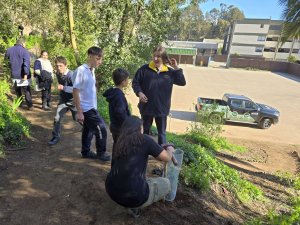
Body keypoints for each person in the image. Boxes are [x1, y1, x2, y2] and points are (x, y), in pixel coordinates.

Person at [105, 116, 174, 218]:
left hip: (111, 190)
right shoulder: (145, 139)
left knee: (133, 177)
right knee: (166, 183)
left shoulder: (119, 141)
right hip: (134, 197)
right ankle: (134, 208)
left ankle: (129, 200)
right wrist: (170, 149)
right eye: (142, 127)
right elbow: (167, 157)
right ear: (139, 128)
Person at [132, 45, 186, 145]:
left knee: (162, 134)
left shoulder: (169, 72)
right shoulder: (144, 69)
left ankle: (162, 153)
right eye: (154, 56)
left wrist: (176, 67)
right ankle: (144, 152)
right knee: (145, 132)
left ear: (164, 58)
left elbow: (182, 82)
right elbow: (135, 83)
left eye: (158, 56)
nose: (155, 59)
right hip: (147, 106)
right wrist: (139, 93)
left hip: (162, 108)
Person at [73, 46, 111, 161]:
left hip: (91, 107)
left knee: (88, 130)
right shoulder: (81, 70)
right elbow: (75, 91)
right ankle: (101, 153)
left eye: (101, 59)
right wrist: (79, 112)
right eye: (98, 58)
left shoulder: (92, 70)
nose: (100, 61)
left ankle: (85, 151)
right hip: (86, 108)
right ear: (90, 56)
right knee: (102, 129)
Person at [48, 56, 76, 145]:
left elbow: (76, 89)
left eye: (61, 66)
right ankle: (56, 137)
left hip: (74, 101)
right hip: (63, 100)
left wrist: (64, 87)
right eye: (57, 66)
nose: (59, 68)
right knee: (57, 118)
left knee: (78, 119)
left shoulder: (72, 75)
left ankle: (88, 128)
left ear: (66, 65)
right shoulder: (58, 73)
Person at [103, 68, 131, 149]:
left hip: (115, 125)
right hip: (120, 127)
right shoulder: (118, 96)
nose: (128, 81)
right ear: (123, 82)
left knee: (117, 146)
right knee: (122, 148)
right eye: (127, 79)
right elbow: (120, 112)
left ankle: (115, 161)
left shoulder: (114, 92)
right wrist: (128, 124)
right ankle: (119, 161)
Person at [5, 38, 33, 110]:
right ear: (22, 43)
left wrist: (8, 72)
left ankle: (20, 103)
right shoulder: (25, 51)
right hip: (23, 75)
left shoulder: (9, 50)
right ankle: (29, 105)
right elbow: (26, 64)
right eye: (25, 44)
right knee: (26, 90)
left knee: (17, 89)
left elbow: (6, 62)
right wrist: (26, 74)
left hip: (14, 74)